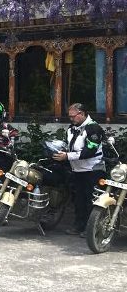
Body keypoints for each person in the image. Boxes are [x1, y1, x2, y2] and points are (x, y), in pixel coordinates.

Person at [52, 102, 105, 237]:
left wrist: (67, 156)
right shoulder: (71, 128)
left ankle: (92, 230)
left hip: (93, 170)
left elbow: (89, 152)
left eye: (73, 116)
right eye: (69, 116)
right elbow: (69, 146)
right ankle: (79, 225)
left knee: (91, 201)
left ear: (81, 114)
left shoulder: (94, 128)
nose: (71, 119)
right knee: (78, 200)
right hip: (77, 170)